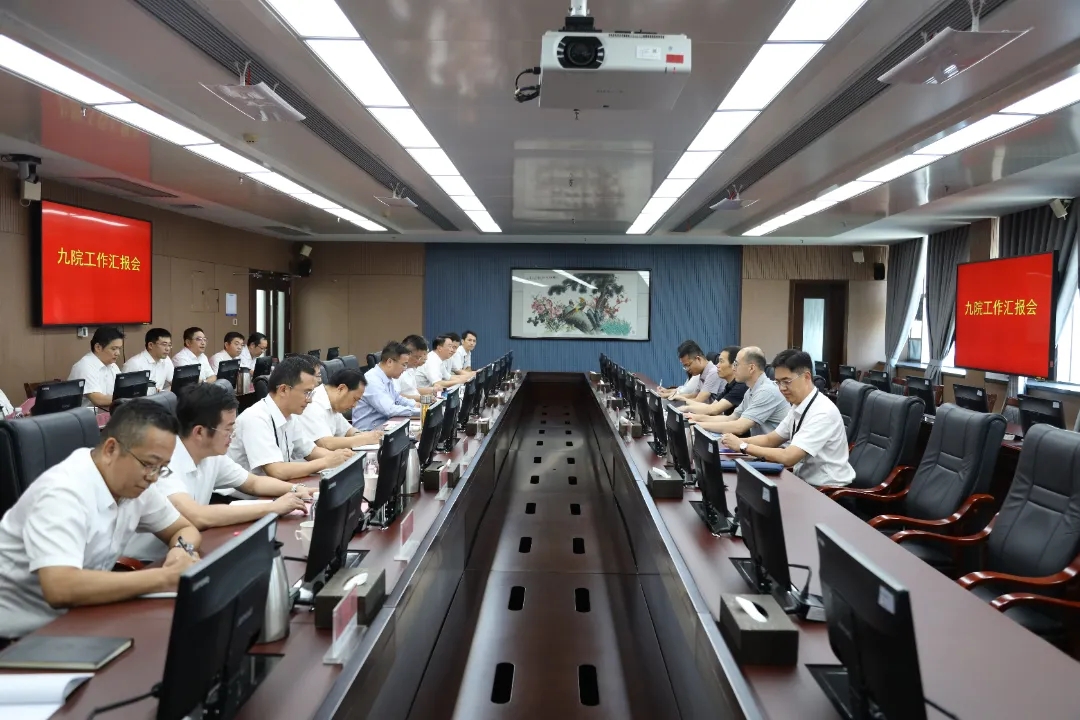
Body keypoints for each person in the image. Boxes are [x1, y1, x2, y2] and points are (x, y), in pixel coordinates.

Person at [0, 400, 201, 639]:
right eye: (149, 464)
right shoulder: (63, 493)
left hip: (81, 617)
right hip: (17, 638)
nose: (154, 477)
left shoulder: (135, 484)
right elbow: (60, 588)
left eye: (162, 468)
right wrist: (165, 577)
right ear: (111, 449)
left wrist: (181, 551)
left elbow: (184, 528)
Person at [124, 384, 312, 562]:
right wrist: (272, 508)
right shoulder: (164, 461)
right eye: (228, 429)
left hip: (186, 552)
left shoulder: (211, 454)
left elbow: (253, 483)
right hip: (142, 564)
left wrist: (297, 489)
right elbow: (196, 516)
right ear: (199, 432)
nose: (233, 435)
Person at [720, 349, 854, 488]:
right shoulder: (798, 405)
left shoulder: (822, 412)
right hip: (803, 482)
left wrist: (743, 446)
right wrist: (734, 442)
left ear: (806, 377)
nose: (782, 388)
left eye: (786, 381)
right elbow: (770, 439)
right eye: (778, 382)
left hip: (828, 491)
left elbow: (788, 457)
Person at [227, 356, 352, 480]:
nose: (310, 400)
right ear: (283, 390)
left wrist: (342, 458)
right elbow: (277, 471)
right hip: (243, 492)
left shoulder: (290, 416)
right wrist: (326, 462)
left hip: (274, 487)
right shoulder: (256, 418)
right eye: (306, 393)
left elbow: (311, 451)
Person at [692, 347, 789, 436]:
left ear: (751, 368)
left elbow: (739, 427)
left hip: (775, 448)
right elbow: (731, 418)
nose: (733, 368)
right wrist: (695, 419)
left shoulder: (766, 391)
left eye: (736, 364)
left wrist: (698, 425)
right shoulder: (750, 390)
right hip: (760, 446)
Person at [294, 368, 384, 451]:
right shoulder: (313, 402)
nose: (355, 405)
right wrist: (363, 439)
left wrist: (365, 435)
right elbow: (325, 443)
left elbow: (347, 430)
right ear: (341, 389)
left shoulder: (333, 403)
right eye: (355, 399)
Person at [352, 341, 419, 430]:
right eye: (404, 365)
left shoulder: (387, 377)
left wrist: (415, 405)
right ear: (390, 362)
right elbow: (390, 409)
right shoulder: (372, 380)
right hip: (368, 432)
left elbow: (397, 399)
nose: (405, 369)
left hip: (385, 426)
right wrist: (418, 411)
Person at [681, 346, 747, 419]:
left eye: (721, 361)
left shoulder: (741, 386)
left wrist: (691, 414)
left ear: (734, 365)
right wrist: (685, 408)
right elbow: (711, 407)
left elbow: (714, 410)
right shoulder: (729, 386)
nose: (717, 365)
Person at [67, 326, 124, 409]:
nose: (118, 353)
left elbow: (121, 391)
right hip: (86, 416)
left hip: (108, 412)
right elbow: (99, 400)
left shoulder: (112, 365)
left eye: (119, 349)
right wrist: (129, 398)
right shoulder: (85, 366)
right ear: (98, 347)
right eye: (114, 349)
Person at [123, 327, 174, 393]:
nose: (168, 349)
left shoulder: (166, 360)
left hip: (160, 397)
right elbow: (124, 393)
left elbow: (175, 383)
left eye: (169, 345)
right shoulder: (134, 364)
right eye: (164, 345)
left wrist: (165, 391)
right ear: (150, 345)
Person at [397, 335, 436, 403]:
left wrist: (432, 390)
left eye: (420, 357)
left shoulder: (411, 369)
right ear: (406, 354)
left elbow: (413, 390)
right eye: (417, 357)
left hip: (417, 404)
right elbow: (396, 397)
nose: (418, 361)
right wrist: (423, 399)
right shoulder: (396, 372)